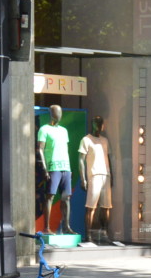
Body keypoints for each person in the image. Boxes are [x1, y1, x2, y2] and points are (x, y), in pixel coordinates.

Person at [78, 115, 119, 246]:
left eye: (101, 123)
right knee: (91, 206)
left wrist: (111, 175)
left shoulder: (105, 140)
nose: (100, 125)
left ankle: (104, 233)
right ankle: (88, 235)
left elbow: (109, 158)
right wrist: (83, 178)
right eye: (97, 123)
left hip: (105, 175)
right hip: (94, 175)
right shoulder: (86, 140)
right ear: (93, 124)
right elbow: (80, 160)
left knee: (106, 207)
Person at [36, 104, 74, 235]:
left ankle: (66, 226)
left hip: (65, 167)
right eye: (57, 112)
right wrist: (45, 168)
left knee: (66, 198)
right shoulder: (44, 129)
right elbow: (40, 149)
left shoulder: (64, 131)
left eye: (60, 112)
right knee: (50, 196)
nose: (59, 115)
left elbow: (65, 149)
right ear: (52, 113)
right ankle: (46, 227)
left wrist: (69, 168)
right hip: (53, 167)